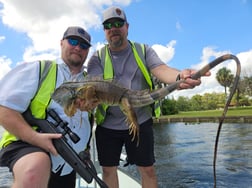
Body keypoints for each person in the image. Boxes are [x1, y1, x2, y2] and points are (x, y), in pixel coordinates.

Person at [87, 6, 211, 188]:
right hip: (108, 124)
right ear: (104, 31)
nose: (113, 28)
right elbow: (94, 85)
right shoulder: (96, 58)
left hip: (141, 119)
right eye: (108, 25)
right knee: (108, 170)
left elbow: (161, 69)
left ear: (127, 27)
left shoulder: (143, 50)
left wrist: (179, 77)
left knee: (148, 170)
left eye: (118, 23)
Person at [0, 26, 95, 188]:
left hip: (69, 162)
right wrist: (34, 137)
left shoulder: (93, 83)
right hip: (29, 145)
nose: (78, 47)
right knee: (34, 171)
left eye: (84, 45)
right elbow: (4, 108)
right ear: (61, 43)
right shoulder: (39, 69)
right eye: (73, 41)